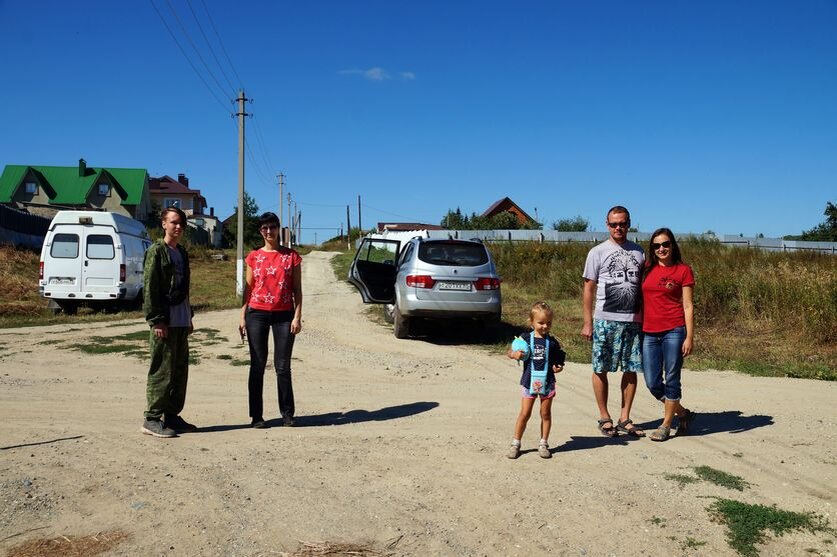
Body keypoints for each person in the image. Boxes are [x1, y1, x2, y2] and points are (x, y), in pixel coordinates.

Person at [581, 205, 646, 438]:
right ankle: (604, 417)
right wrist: (588, 322)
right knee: (600, 368)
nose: (618, 228)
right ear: (607, 225)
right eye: (614, 224)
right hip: (605, 320)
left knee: (631, 369)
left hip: (633, 321)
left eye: (623, 223)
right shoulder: (597, 252)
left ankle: (624, 418)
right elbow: (589, 288)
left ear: (629, 224)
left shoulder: (639, 252)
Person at [239, 212, 302, 428]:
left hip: (284, 315)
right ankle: (256, 416)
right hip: (256, 313)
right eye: (264, 228)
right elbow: (248, 289)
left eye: (272, 227)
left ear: (278, 229)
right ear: (260, 231)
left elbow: (297, 290)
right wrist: (242, 316)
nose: (269, 231)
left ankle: (287, 414)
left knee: (282, 366)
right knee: (257, 365)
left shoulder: (291, 256)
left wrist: (297, 317)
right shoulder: (253, 256)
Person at [141, 206, 196, 438]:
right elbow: (150, 287)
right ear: (164, 224)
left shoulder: (181, 252)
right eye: (174, 222)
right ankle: (152, 419)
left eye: (181, 223)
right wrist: (157, 320)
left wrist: (188, 316)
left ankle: (172, 415)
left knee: (179, 371)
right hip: (165, 320)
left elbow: (184, 288)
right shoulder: (156, 251)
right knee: (162, 370)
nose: (178, 226)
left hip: (181, 319)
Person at [641, 228, 695, 441]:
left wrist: (689, 337)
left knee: (672, 377)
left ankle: (666, 424)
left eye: (665, 244)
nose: (661, 249)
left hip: (674, 330)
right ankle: (682, 413)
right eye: (656, 245)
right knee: (652, 382)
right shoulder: (647, 269)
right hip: (649, 332)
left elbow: (688, 305)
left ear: (672, 245)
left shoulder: (683, 270)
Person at [506, 302, 566, 459]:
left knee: (545, 413)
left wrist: (558, 367)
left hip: (547, 383)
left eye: (549, 323)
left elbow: (558, 360)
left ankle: (543, 443)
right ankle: (515, 443)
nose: (545, 326)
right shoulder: (525, 339)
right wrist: (514, 355)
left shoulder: (552, 342)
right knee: (525, 413)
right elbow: (510, 351)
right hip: (528, 382)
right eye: (541, 322)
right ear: (531, 322)